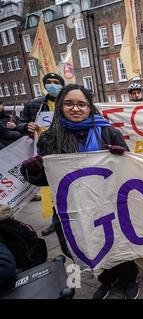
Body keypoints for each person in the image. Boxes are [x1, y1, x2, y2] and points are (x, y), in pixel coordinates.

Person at [20, 84, 139, 299]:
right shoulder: (49, 139)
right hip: (71, 206)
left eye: (82, 104)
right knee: (87, 245)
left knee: (117, 241)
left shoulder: (109, 133)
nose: (76, 109)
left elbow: (128, 169)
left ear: (89, 107)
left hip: (108, 203)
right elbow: (47, 179)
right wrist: (32, 171)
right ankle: (106, 279)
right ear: (60, 107)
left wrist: (121, 158)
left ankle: (129, 278)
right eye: (69, 103)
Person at [17, 73, 66, 235]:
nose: (53, 85)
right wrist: (26, 127)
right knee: (51, 189)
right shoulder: (33, 105)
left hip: (66, 152)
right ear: (44, 85)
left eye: (56, 82)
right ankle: (55, 221)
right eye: (49, 82)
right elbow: (21, 123)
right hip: (46, 154)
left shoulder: (68, 103)